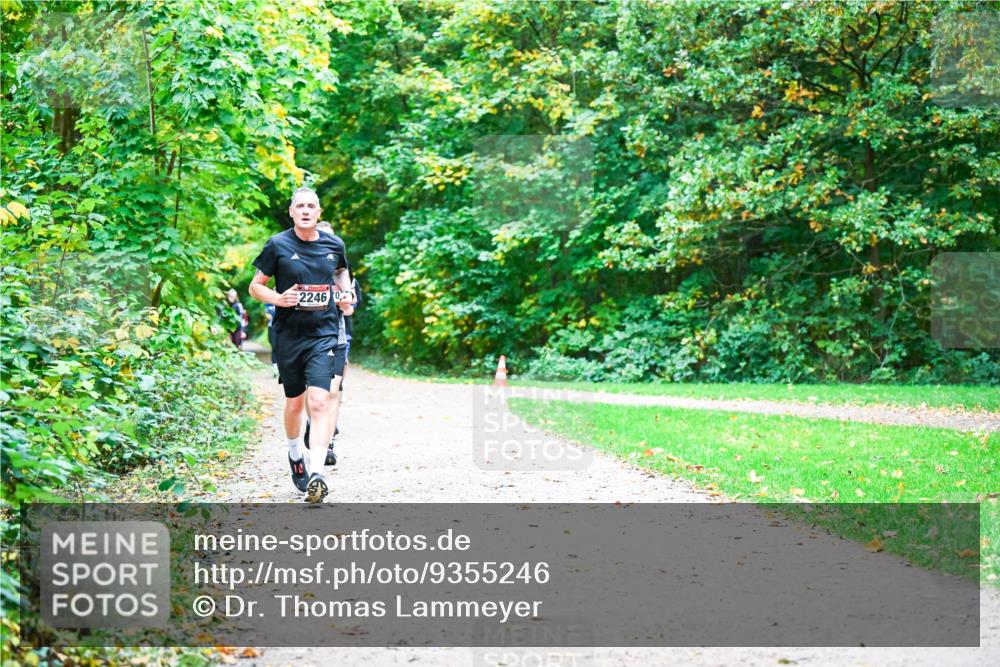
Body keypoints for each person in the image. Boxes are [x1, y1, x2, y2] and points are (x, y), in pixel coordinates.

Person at [248, 188, 353, 502]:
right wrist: (278, 299)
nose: (306, 211)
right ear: (292, 212)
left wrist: (347, 295)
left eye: (311, 206)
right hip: (289, 336)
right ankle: (296, 456)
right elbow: (255, 287)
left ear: (319, 213)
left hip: (323, 334)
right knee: (295, 403)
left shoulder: (334, 244)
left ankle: (317, 473)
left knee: (320, 401)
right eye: (300, 206)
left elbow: (341, 272)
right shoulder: (277, 245)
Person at [303, 221, 357, 467]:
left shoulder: (343, 270)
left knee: (334, 391)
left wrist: (345, 301)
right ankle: (312, 423)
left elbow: (350, 309)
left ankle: (328, 443)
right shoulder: (299, 263)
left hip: (336, 333)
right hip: (305, 334)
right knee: (313, 392)